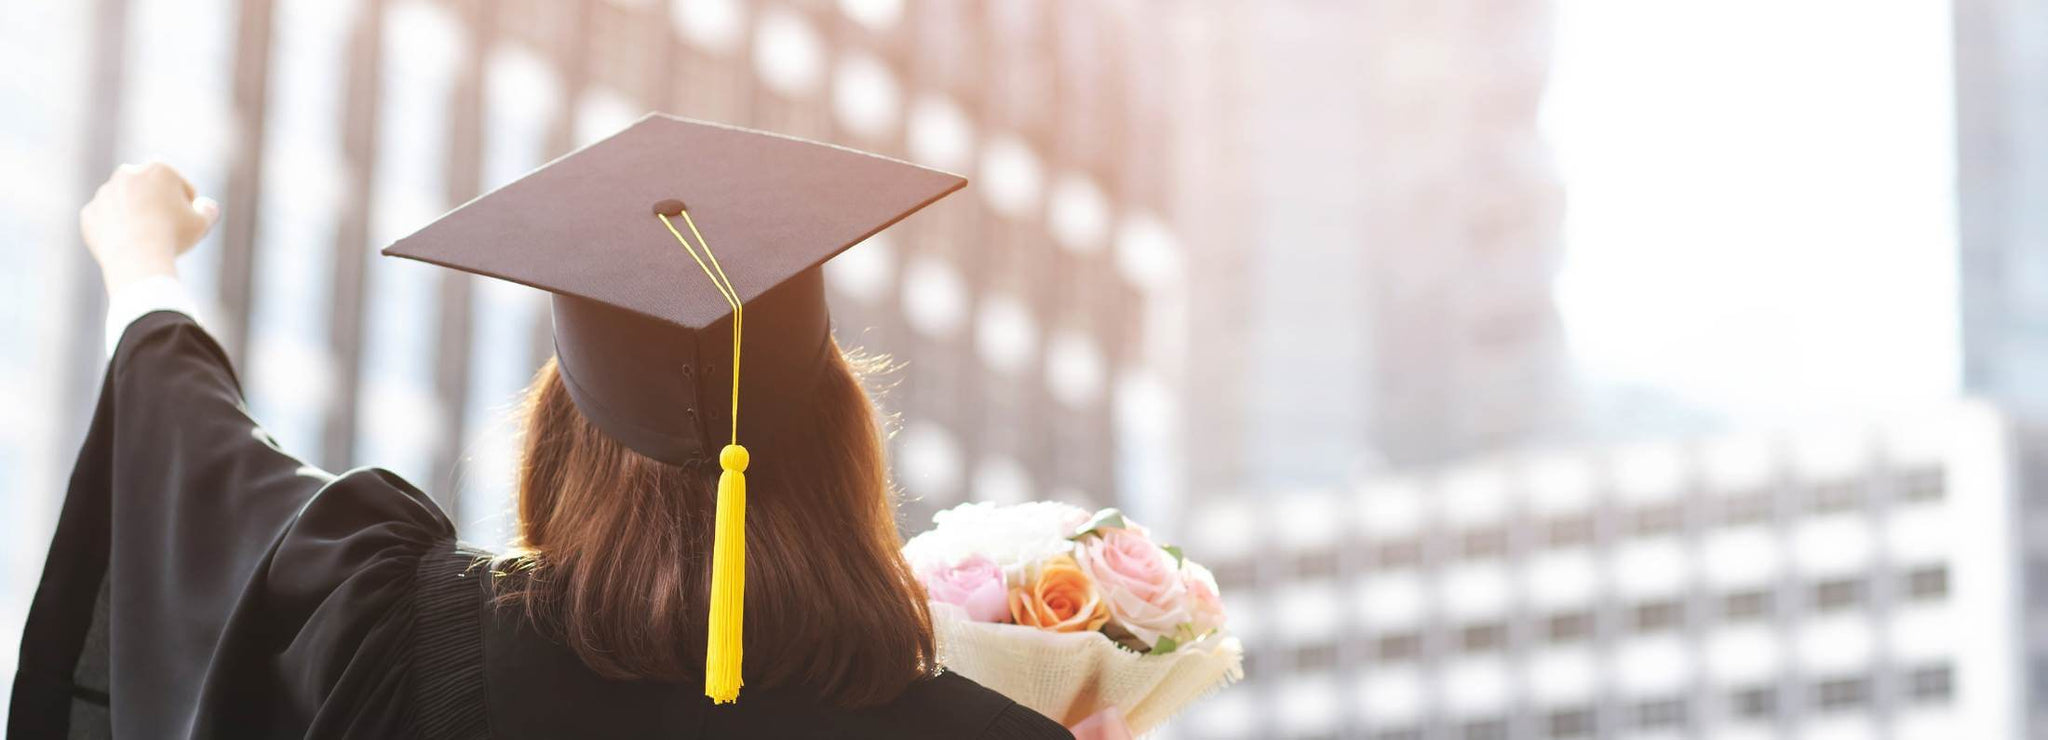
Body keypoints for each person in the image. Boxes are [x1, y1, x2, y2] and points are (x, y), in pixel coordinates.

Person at [12, 117, 1073, 739]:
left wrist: (145, 272)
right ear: (844, 437)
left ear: (562, 439)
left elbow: (208, 472)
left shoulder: (407, 638)